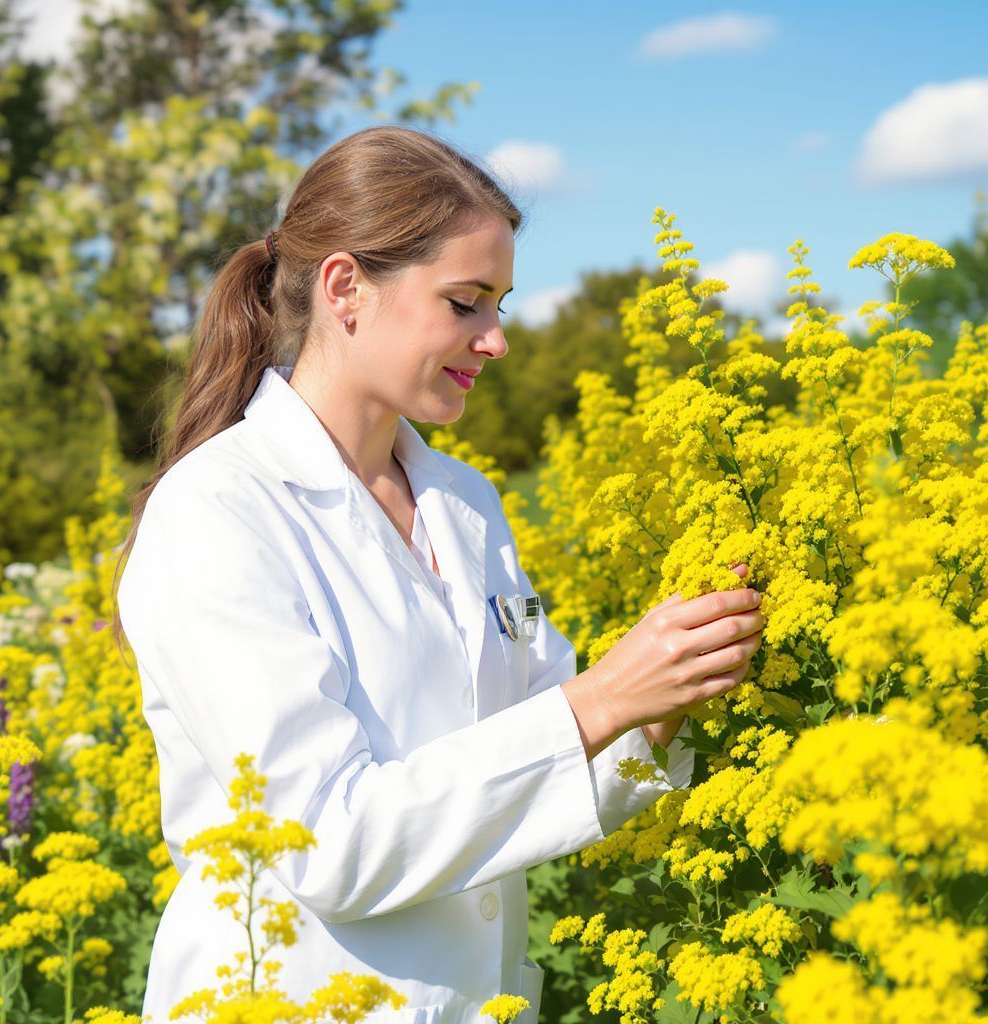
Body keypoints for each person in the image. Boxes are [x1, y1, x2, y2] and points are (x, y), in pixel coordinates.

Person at [112, 124, 765, 1024]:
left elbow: (563, 753)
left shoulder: (466, 504)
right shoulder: (219, 511)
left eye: (499, 304)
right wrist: (605, 700)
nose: (495, 340)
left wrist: (682, 679)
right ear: (346, 288)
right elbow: (324, 845)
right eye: (466, 303)